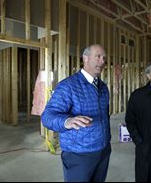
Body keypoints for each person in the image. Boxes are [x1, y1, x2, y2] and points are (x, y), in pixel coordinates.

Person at [41, 44, 111, 182]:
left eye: (104, 58)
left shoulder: (103, 87)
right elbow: (47, 116)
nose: (102, 61)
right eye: (98, 57)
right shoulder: (68, 86)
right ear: (85, 58)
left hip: (103, 149)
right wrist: (67, 121)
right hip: (79, 153)